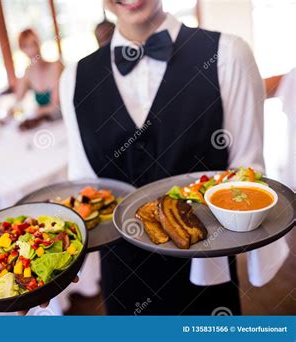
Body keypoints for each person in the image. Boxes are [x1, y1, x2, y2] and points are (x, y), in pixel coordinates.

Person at [60, 0, 287, 315]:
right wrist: (54, 268)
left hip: (206, 272)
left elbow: (247, 174)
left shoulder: (229, 54)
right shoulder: (73, 78)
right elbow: (86, 189)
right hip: (123, 276)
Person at [12, 29, 63, 129]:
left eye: (34, 43)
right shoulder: (27, 73)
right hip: (45, 125)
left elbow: (55, 106)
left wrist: (34, 111)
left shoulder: (56, 66)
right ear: (22, 49)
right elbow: (17, 101)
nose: (32, 49)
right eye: (26, 46)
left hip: (62, 121)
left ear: (39, 43)